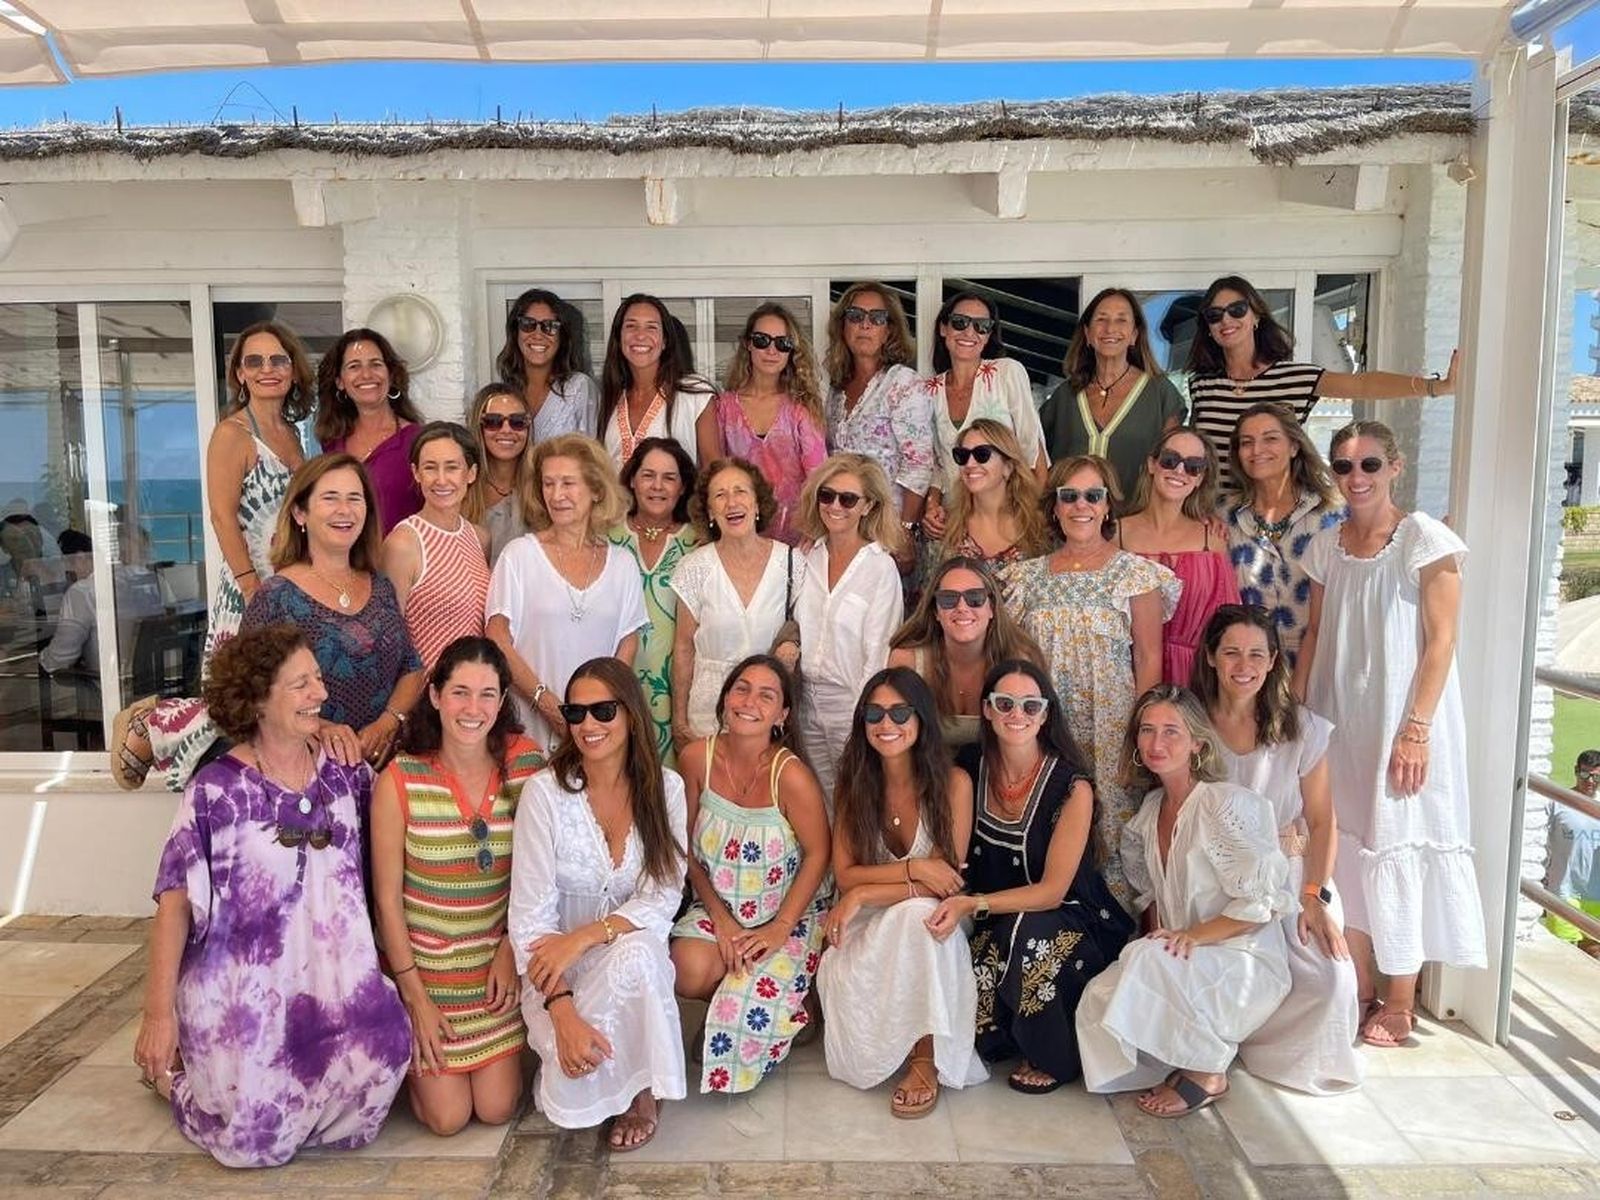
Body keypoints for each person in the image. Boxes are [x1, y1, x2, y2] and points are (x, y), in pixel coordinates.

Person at [134, 624, 411, 1167]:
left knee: (378, 1075)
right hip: (245, 994)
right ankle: (171, 1079)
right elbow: (174, 904)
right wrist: (157, 1014)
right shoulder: (216, 790)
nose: (321, 695)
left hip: (336, 981)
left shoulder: (346, 773)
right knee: (257, 1141)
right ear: (259, 698)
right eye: (301, 685)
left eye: (319, 679)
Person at [1295, 420, 1487, 1047]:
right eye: (1345, 467)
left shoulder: (1424, 540)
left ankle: (1401, 996)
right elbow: (1317, 633)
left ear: (1394, 467)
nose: (1356, 478)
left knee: (1396, 837)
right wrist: (1298, 711)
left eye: (1369, 465)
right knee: (1344, 843)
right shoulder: (1327, 544)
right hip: (1338, 716)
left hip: (1400, 720)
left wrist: (1416, 730)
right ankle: (1361, 983)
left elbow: (1442, 642)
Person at [131, 454, 427, 790]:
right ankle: (152, 723)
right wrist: (320, 727)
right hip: (302, 778)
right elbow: (243, 691)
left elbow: (411, 666)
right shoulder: (276, 596)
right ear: (301, 513)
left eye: (354, 499)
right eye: (330, 498)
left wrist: (389, 722)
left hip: (378, 771)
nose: (345, 510)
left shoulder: (381, 586)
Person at [110, 322, 312, 790]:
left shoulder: (293, 435)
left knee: (273, 693)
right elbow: (222, 518)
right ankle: (156, 724)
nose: (267, 370)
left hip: (286, 588)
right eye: (254, 361)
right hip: (249, 586)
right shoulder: (232, 434)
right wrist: (249, 586)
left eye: (277, 360)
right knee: (236, 696)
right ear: (239, 374)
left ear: (292, 370)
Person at [1076, 686, 1292, 1118]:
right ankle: (1178, 1051)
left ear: (1197, 742)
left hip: (1239, 959)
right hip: (1182, 951)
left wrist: (1187, 937)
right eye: (1147, 731)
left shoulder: (1224, 804)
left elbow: (1261, 905)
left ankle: (1209, 1071)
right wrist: (1164, 937)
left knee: (1147, 960)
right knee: (1098, 994)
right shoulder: (1149, 811)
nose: (1157, 744)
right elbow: (1153, 895)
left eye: (1172, 732)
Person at [928, 659, 1133, 1093]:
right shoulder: (969, 768)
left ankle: (1056, 1057)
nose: (1015, 715)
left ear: (1044, 715)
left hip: (1069, 916)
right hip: (993, 917)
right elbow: (954, 858)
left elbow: (1052, 892)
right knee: (978, 1016)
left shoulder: (1072, 788)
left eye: (1029, 705)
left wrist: (975, 903)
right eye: (1004, 703)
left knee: (1026, 937)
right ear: (986, 710)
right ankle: (1008, 1034)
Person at [508, 658, 688, 1151]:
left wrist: (586, 936)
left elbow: (663, 894)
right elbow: (529, 920)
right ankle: (574, 1048)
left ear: (630, 714)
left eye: (604, 711)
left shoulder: (666, 789)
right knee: (567, 1093)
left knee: (643, 952)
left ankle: (642, 1093)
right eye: (576, 712)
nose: (589, 725)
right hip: (552, 978)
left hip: (623, 966)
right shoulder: (545, 795)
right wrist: (562, 1011)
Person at [370, 636, 544, 1135]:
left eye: (488, 694)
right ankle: (404, 1050)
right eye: (460, 692)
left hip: (494, 975)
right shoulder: (401, 779)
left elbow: (545, 875)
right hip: (426, 976)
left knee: (494, 1109)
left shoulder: (527, 764)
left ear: (502, 699)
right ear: (435, 696)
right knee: (446, 1120)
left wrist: (512, 947)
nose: (474, 708)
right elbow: (386, 902)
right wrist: (415, 1000)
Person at [1193, 606, 1362, 1094]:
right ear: (1210, 657)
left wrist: (1315, 894)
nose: (1242, 665)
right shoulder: (1191, 722)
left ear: (1271, 663)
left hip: (1287, 875)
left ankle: (1274, 1050)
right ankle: (1220, 1041)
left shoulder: (1302, 728)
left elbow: (1322, 818)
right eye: (1230, 653)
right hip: (1215, 875)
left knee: (1330, 981)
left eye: (1255, 654)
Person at [999, 455, 1177, 908]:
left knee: (1115, 836)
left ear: (1106, 506)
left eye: (1093, 495)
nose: (1082, 505)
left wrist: (1140, 737)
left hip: (1113, 728)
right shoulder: (1026, 577)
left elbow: (1149, 658)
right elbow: (1016, 663)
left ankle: (1116, 941)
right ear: (1054, 507)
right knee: (1049, 823)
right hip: (1047, 730)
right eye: (1070, 495)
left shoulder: (1135, 574)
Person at [815, 668, 987, 1117]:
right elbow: (846, 875)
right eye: (874, 713)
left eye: (899, 712)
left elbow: (944, 882)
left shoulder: (954, 785)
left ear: (921, 719)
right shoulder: (854, 782)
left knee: (919, 915)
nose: (886, 723)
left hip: (935, 918)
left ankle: (926, 1056)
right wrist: (905, 873)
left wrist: (864, 892)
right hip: (869, 921)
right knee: (910, 910)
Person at [670, 656, 832, 1092]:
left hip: (789, 913)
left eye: (767, 695)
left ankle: (790, 1001)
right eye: (741, 689)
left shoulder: (790, 775)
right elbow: (684, 848)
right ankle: (749, 997)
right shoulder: (694, 759)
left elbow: (819, 855)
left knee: (745, 1013)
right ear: (724, 700)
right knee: (685, 968)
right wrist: (720, 919)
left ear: (782, 715)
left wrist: (780, 928)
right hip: (719, 904)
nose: (749, 702)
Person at [1185, 275, 1457, 490]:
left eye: (1237, 310)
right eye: (1215, 315)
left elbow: (1362, 385)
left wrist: (1436, 387)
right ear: (1207, 327)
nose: (1226, 320)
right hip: (1214, 517)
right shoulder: (1202, 385)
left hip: (1271, 514)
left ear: (1256, 316)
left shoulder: (1295, 378)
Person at [487, 434, 648, 752]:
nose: (556, 495)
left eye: (568, 483)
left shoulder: (623, 564)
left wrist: (594, 716)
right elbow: (497, 638)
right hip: (529, 728)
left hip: (597, 731)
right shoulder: (519, 555)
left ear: (596, 490)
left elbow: (626, 646)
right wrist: (546, 704)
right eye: (548, 483)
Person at [792, 454, 907, 804]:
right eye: (827, 496)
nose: (835, 506)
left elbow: (879, 651)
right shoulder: (806, 557)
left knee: (856, 802)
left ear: (868, 505)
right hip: (804, 700)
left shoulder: (880, 568)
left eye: (848, 498)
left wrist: (865, 717)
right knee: (815, 804)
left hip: (851, 704)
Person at [669, 457, 805, 745]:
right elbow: (683, 648)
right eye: (720, 495)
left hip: (767, 714)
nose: (731, 502)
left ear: (757, 504)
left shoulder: (792, 562)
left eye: (740, 491)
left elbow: (806, 629)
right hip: (708, 716)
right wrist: (679, 720)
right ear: (709, 512)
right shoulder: (693, 568)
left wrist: (791, 645)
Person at [1219, 402, 1346, 666]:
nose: (1257, 450)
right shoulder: (1222, 515)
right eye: (1246, 442)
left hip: (1320, 664)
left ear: (1294, 446)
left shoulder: (1331, 514)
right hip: (1248, 671)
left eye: (1271, 439)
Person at [919, 291, 1048, 541]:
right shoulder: (928, 390)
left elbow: (1034, 454)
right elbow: (935, 464)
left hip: (1008, 522)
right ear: (943, 328)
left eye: (981, 326)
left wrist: (1028, 521)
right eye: (960, 322)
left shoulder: (1007, 373)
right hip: (953, 524)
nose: (970, 332)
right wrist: (932, 507)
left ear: (989, 335)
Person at [1117, 426, 1241, 683]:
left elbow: (1228, 625)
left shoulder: (1212, 540)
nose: (1180, 471)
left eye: (1193, 466)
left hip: (1193, 680)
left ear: (1200, 479)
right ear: (1152, 464)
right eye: (1170, 460)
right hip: (1126, 675)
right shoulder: (1114, 535)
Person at [1038, 288, 1187, 500]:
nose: (1110, 328)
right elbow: (1037, 460)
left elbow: (1175, 467)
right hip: (1072, 524)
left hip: (1133, 526)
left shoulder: (1161, 394)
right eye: (1101, 319)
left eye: (1121, 320)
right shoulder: (1065, 397)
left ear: (1134, 335)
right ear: (1088, 334)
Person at [887, 556, 1044, 752]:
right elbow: (892, 745)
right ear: (935, 611)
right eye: (948, 599)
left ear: (992, 608)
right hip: (928, 776)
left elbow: (1032, 746)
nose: (962, 608)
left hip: (996, 775)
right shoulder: (907, 661)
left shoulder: (1019, 661)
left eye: (975, 598)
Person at [608, 437, 700, 768]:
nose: (657, 486)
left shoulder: (699, 544)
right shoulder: (605, 538)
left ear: (683, 486)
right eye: (648, 475)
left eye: (669, 477)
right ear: (632, 479)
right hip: (616, 683)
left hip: (676, 691)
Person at [821, 282, 933, 554]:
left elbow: (919, 465)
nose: (865, 325)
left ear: (889, 330)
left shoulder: (903, 383)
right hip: (844, 526)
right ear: (843, 326)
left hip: (888, 530)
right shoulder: (836, 391)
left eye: (877, 318)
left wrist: (905, 531)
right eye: (856, 316)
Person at [711, 302, 829, 546]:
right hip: (740, 534)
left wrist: (811, 535)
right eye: (762, 340)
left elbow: (819, 478)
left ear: (791, 351)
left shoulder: (801, 407)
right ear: (748, 344)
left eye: (782, 343)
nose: (772, 350)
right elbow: (716, 475)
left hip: (797, 540)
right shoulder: (723, 407)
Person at [380, 422, 491, 672]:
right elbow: (389, 639)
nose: (441, 479)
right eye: (430, 468)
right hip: (425, 695)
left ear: (471, 473)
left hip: (474, 691)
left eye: (452, 467)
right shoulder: (403, 543)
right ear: (416, 473)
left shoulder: (480, 538)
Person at [315, 327, 425, 535]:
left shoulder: (418, 441)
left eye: (375, 364)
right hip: (346, 563)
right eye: (354, 366)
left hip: (401, 564)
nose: (366, 374)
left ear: (390, 375)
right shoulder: (331, 442)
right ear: (340, 381)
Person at [597, 293, 719, 469]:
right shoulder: (610, 396)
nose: (640, 335)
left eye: (651, 327)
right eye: (631, 326)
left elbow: (713, 467)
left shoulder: (694, 392)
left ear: (665, 341)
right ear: (618, 338)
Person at [937, 419, 1053, 569]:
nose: (970, 464)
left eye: (982, 454)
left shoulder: (1038, 527)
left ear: (1008, 466)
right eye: (962, 455)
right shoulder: (944, 526)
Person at [495, 287, 599, 441]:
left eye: (550, 326)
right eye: (528, 324)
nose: (538, 334)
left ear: (561, 336)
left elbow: (592, 455)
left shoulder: (578, 388)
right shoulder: (504, 394)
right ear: (515, 332)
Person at [464, 382, 534, 566]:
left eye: (517, 421)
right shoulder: (462, 488)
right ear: (478, 427)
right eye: (493, 421)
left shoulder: (542, 485)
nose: (506, 430)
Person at [1545, 749, 1600, 956]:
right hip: (1564, 893)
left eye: (1596, 776)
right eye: (1585, 774)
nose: (1590, 781)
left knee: (1595, 955)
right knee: (1563, 955)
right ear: (1576, 771)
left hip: (1596, 896)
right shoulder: (1559, 803)